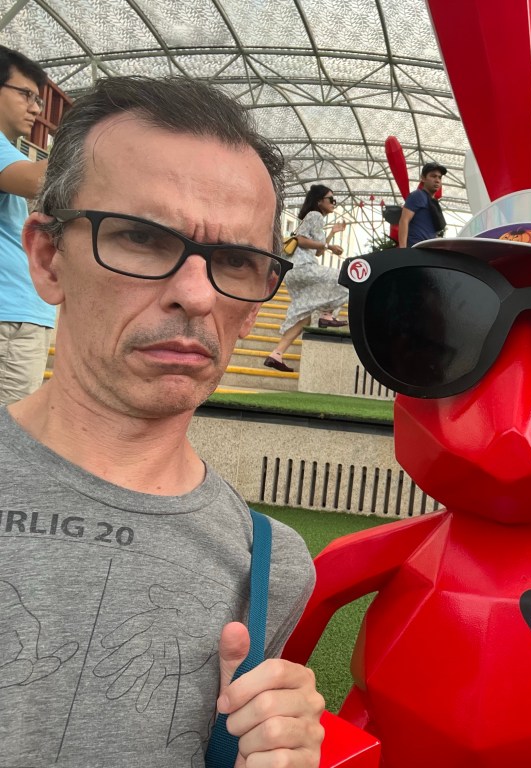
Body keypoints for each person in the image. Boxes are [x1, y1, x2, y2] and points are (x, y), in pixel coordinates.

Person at [1, 76, 324, 766]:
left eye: (236, 260)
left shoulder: (269, 567)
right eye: (143, 239)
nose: (197, 295)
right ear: (48, 258)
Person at [0, 46, 53, 405]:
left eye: (39, 99)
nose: (36, 108)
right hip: (9, 315)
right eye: (26, 94)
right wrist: (91, 135)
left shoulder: (9, 151)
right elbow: (39, 181)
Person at [264, 184, 347, 373]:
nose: (334, 203)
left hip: (294, 271)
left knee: (305, 316)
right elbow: (301, 240)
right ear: (319, 201)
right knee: (344, 279)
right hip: (302, 267)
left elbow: (317, 251)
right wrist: (329, 247)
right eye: (331, 199)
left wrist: (332, 234)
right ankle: (327, 315)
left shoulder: (314, 219)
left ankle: (276, 354)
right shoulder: (315, 215)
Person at [397, 161, 446, 248]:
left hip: (427, 249)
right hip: (416, 248)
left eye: (440, 177)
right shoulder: (417, 195)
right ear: (423, 178)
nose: (437, 180)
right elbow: (404, 220)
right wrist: (403, 249)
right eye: (433, 176)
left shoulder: (433, 202)